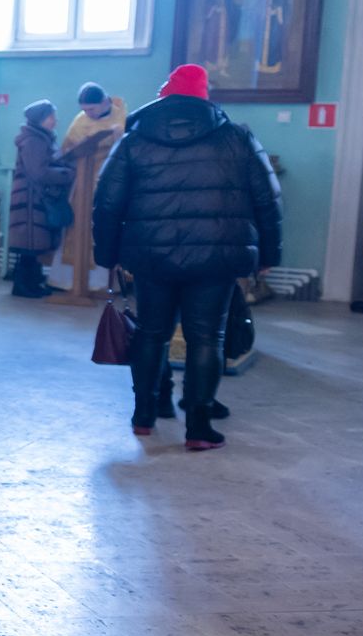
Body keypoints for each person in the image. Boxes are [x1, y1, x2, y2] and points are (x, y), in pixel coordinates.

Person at [92, 64, 281, 449]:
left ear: (165, 95)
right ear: (204, 95)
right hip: (216, 256)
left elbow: (107, 202)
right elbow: (268, 199)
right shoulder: (236, 138)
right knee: (207, 337)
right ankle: (198, 426)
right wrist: (268, 254)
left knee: (151, 332)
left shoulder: (134, 139)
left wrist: (107, 254)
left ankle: (144, 415)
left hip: (152, 255)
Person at [8, 99, 76, 299]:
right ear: (40, 119)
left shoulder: (40, 138)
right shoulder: (34, 140)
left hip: (34, 197)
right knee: (30, 244)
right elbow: (38, 172)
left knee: (34, 244)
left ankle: (31, 283)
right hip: (31, 199)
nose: (55, 120)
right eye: (51, 117)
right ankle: (24, 286)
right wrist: (68, 174)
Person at [62, 81, 126, 157]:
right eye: (84, 110)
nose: (88, 114)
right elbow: (65, 151)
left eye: (91, 109)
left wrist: (119, 139)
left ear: (105, 102)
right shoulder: (80, 121)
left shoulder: (120, 113)